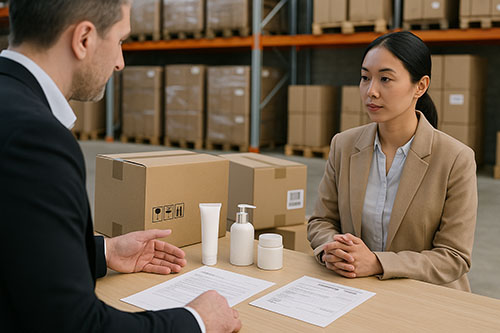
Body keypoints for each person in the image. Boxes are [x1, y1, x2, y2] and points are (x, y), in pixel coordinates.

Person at [0, 1, 241, 332]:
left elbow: (14, 248)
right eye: (120, 41)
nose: (120, 62)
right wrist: (197, 321)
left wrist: (102, 252)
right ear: (84, 38)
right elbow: (74, 325)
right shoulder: (36, 139)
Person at [307, 31, 477, 291]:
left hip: (426, 298)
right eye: (365, 78)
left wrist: (378, 262)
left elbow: (453, 257)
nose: (371, 91)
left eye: (385, 79)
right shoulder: (343, 145)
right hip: (355, 289)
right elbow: (321, 221)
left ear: (420, 86)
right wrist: (334, 249)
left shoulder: (456, 159)